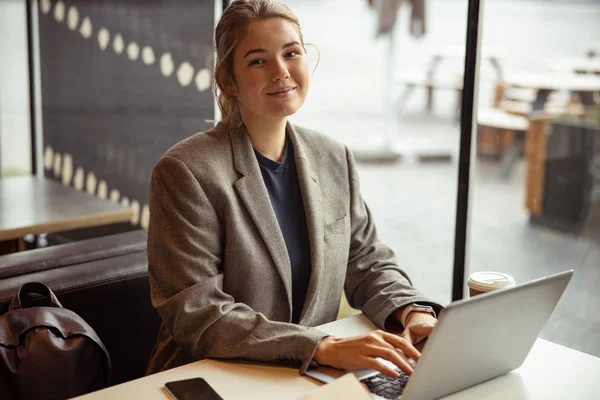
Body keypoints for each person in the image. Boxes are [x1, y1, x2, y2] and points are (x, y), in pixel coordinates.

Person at [146, 0, 443, 379]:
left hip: (307, 377)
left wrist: (412, 311)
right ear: (228, 81)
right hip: (216, 377)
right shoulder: (185, 172)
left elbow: (366, 259)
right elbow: (199, 314)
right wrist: (320, 347)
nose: (281, 72)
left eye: (291, 53)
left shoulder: (334, 157)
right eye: (258, 60)